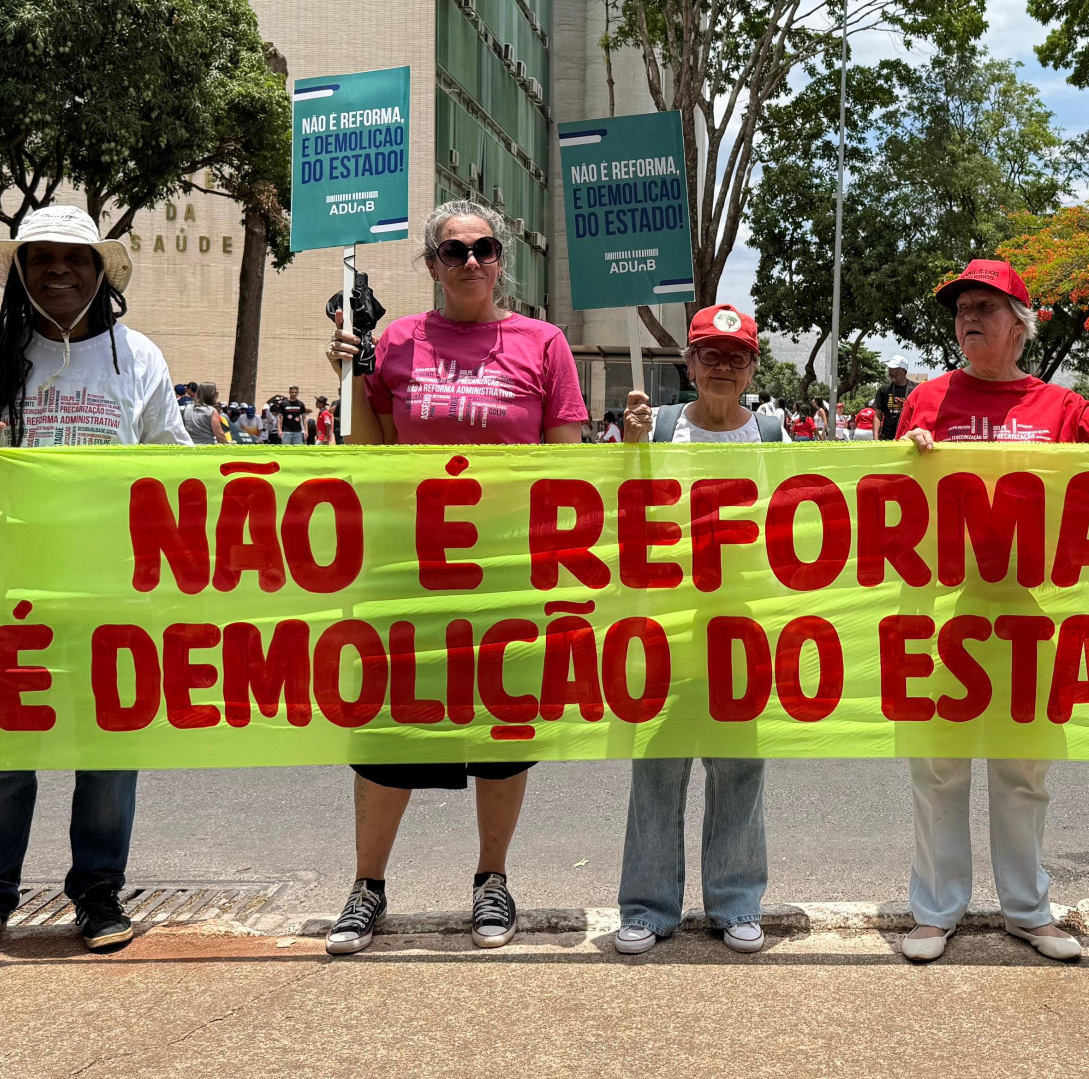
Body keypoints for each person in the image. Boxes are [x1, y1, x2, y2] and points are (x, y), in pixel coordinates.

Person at [0, 204, 191, 964]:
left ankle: (99, 892)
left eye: (75, 257)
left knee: (108, 751)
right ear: (19, 272)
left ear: (101, 272)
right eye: (41, 257)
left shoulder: (138, 355)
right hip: (10, 587)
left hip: (113, 589)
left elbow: (174, 464)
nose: (58, 270)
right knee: (1, 751)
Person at [322, 198, 588, 956]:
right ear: (431, 265)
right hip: (408, 569)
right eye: (453, 250)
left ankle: (492, 878)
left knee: (503, 728)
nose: (470, 261)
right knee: (389, 731)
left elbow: (567, 464)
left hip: (506, 572)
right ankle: (367, 885)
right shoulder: (395, 342)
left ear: (501, 259)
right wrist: (350, 377)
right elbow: (368, 451)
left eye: (483, 248)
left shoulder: (543, 344)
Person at [894, 258, 1089, 964]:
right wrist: (905, 458)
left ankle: (1028, 910)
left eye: (985, 307)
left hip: (1033, 614)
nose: (968, 318)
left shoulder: (1061, 408)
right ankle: (935, 911)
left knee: (1023, 769)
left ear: (1020, 326)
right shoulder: (926, 399)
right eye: (961, 308)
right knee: (939, 767)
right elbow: (888, 498)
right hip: (944, 613)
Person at [608, 303, 785, 956]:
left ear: (752, 369)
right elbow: (617, 510)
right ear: (689, 362)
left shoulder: (772, 434)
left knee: (739, 766)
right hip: (665, 625)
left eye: (736, 357)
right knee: (657, 766)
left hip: (742, 624)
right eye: (710, 354)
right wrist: (629, 452)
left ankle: (736, 902)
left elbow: (802, 518)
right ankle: (648, 907)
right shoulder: (655, 428)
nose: (722, 368)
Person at [871, 359, 912, 440]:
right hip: (887, 437)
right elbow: (878, 416)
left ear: (902, 370)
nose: (889, 373)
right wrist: (875, 439)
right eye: (889, 369)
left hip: (907, 437)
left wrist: (906, 406)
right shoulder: (884, 389)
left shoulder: (915, 389)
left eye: (892, 370)